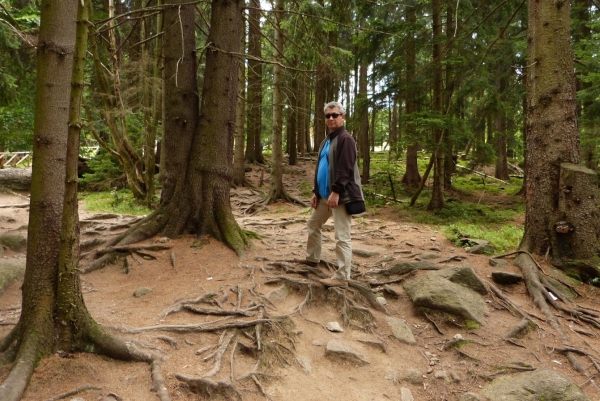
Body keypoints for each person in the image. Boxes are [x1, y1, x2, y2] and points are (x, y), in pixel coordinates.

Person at [306, 101, 364, 287]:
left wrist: (336, 191)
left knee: (342, 236)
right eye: (328, 115)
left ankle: (342, 277)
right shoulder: (327, 140)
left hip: (340, 196)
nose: (331, 118)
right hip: (324, 196)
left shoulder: (346, 139)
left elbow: (345, 169)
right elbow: (321, 168)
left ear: (343, 117)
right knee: (313, 224)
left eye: (335, 115)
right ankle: (312, 259)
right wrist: (316, 192)